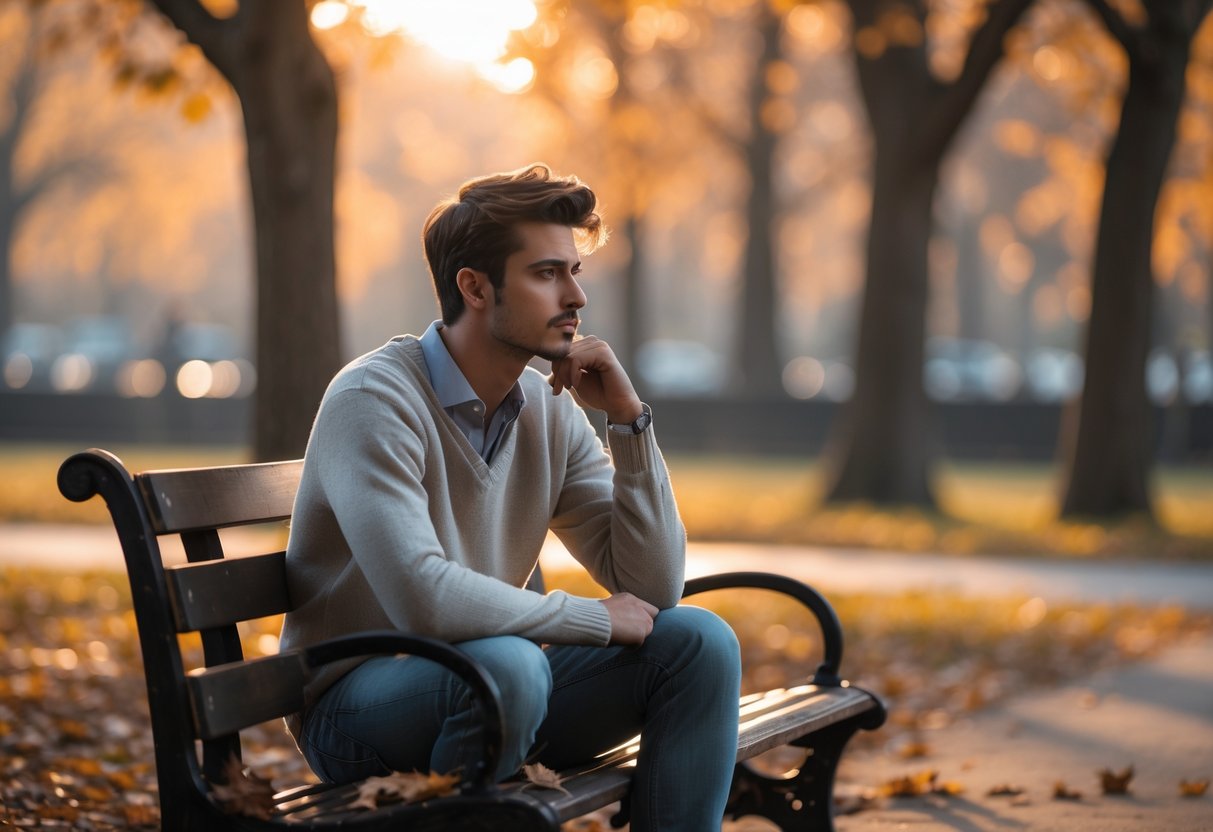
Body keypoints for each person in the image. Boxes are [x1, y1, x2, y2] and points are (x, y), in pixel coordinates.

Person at [279, 164, 741, 831]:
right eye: (547, 273)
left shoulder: (547, 410)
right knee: (510, 669)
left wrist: (629, 425)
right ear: (474, 286)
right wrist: (591, 620)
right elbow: (422, 595)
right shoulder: (371, 400)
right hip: (356, 710)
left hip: (500, 684)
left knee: (698, 639)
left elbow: (653, 586)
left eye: (574, 271)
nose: (576, 295)